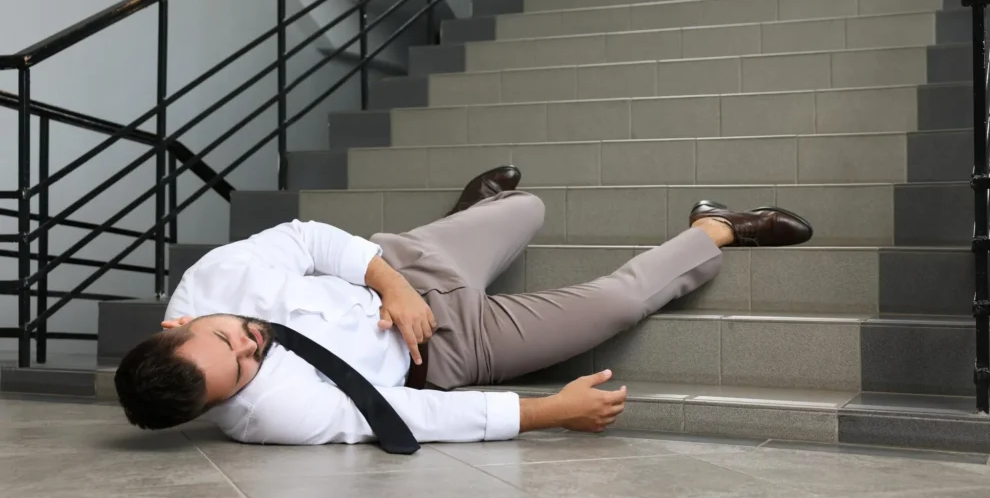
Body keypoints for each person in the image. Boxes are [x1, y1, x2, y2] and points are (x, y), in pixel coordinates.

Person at [114, 167, 812, 446]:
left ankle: (468, 216)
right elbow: (405, 412)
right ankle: (716, 226)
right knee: (618, 301)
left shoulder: (215, 277)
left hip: (402, 267)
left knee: (530, 208)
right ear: (217, 406)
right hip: (447, 346)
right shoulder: (270, 416)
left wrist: (394, 283)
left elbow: (307, 239)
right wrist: (547, 411)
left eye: (229, 335)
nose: (251, 343)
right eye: (240, 367)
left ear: (180, 322)